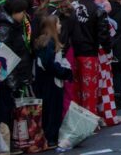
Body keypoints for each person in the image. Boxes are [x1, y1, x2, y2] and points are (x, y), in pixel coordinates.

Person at [70, 0, 112, 114]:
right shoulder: (98, 10)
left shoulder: (71, 6)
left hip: (71, 53)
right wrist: (108, 50)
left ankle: (75, 118)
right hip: (89, 53)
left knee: (74, 88)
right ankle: (89, 119)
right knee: (89, 89)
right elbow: (103, 34)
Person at [32, 15, 73, 147]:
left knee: (48, 110)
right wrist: (64, 72)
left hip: (44, 82)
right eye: (58, 24)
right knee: (53, 110)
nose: (60, 26)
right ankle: (51, 138)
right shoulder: (49, 43)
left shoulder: (43, 41)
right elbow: (49, 64)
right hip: (52, 82)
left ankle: (49, 137)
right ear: (52, 27)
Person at [0, 0, 33, 129]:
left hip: (17, 74)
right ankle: (8, 141)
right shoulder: (5, 28)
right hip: (8, 78)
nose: (24, 15)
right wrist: (12, 82)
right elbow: (4, 56)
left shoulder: (14, 25)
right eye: (22, 12)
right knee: (7, 110)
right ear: (14, 12)